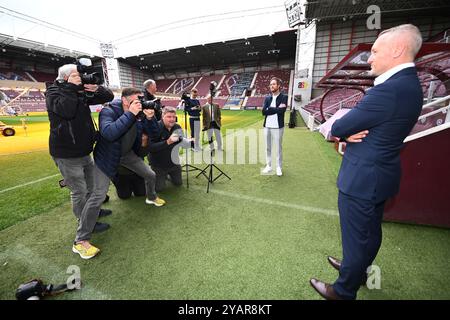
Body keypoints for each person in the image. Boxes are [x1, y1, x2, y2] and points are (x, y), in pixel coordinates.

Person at [310, 24, 424, 300]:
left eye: (374, 51)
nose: (369, 58)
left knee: (356, 235)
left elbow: (339, 126)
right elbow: (362, 125)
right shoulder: (410, 85)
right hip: (380, 175)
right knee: (370, 232)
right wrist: (349, 130)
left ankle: (343, 290)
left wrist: (343, 130)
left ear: (397, 50)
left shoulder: (389, 90)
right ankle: (357, 269)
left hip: (363, 178)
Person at [45, 63, 114, 260]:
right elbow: (66, 111)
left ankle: (92, 214)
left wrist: (96, 88)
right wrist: (72, 88)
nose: (80, 78)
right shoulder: (54, 93)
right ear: (65, 78)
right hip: (66, 154)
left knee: (92, 188)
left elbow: (107, 97)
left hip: (84, 151)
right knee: (79, 191)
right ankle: (82, 222)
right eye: (76, 75)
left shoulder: (78, 91)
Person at [148, 106, 192, 192]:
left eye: (173, 117)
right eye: (169, 117)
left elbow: (181, 141)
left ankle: (167, 175)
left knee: (178, 183)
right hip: (159, 165)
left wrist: (187, 141)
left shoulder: (177, 127)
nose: (172, 119)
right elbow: (150, 148)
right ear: (162, 116)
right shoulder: (155, 127)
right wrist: (167, 142)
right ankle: (151, 173)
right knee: (158, 189)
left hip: (173, 163)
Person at [261, 77, 288, 176]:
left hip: (278, 127)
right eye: (270, 84)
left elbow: (282, 111)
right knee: (268, 147)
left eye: (273, 84)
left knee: (278, 148)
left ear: (278, 86)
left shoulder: (284, 97)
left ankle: (278, 167)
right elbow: (264, 112)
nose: (271, 86)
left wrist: (270, 109)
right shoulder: (267, 98)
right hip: (267, 126)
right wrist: (275, 108)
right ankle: (268, 166)